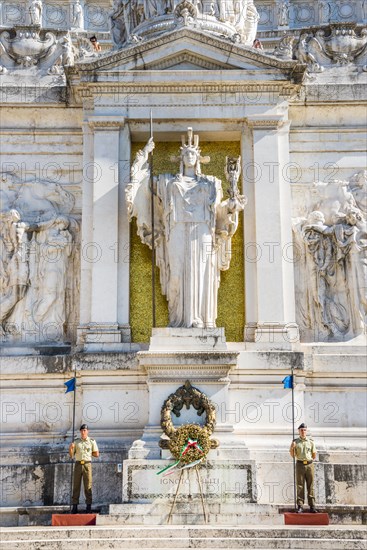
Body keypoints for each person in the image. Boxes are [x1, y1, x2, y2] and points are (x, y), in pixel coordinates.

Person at [126, 128, 246, 329]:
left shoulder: (211, 183)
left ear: (198, 158)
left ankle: (199, 319)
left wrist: (232, 204)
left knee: (201, 273)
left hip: (203, 232)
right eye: (186, 153)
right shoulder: (167, 181)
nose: (190, 156)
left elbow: (220, 211)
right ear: (181, 157)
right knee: (176, 274)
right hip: (177, 231)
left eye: (193, 153)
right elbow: (142, 186)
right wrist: (144, 154)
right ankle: (178, 319)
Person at [69, 424, 99, 514]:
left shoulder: (92, 441)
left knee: (88, 485)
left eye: (85, 430)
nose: (83, 432)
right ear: (80, 431)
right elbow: (71, 455)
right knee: (76, 485)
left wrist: (89, 453)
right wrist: (71, 448)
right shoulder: (76, 442)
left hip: (87, 464)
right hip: (78, 464)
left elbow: (97, 454)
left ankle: (88, 506)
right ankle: (74, 506)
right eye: (82, 430)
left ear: (87, 431)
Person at [290, 423, 318, 513]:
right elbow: (293, 455)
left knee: (311, 486)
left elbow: (314, 455)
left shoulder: (311, 442)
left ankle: (312, 506)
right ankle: (300, 506)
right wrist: (292, 448)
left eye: (304, 430)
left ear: (306, 431)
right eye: (301, 430)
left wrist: (309, 461)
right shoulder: (295, 442)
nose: (303, 432)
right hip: (300, 464)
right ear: (299, 431)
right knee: (300, 485)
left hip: (309, 464)